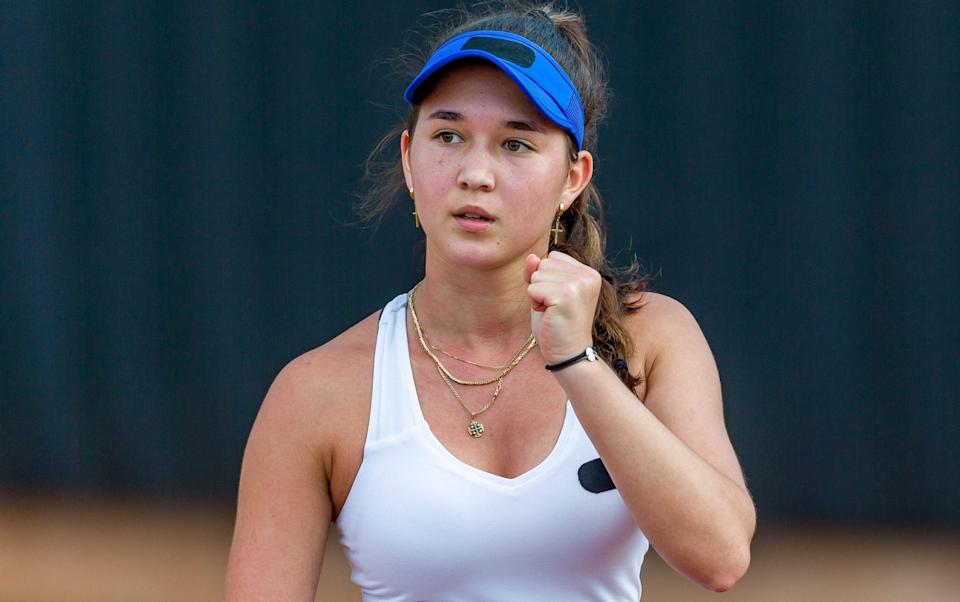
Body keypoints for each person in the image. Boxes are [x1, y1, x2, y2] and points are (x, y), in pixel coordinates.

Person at [225, 3, 755, 600]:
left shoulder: (653, 337)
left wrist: (577, 363)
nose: (475, 172)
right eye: (448, 135)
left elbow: (722, 556)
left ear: (572, 179)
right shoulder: (315, 393)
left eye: (516, 144)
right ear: (408, 158)